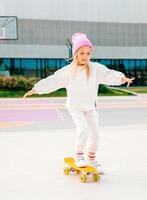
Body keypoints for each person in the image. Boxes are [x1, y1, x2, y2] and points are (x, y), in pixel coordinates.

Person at [23, 33, 134, 173]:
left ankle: (92, 159)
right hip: (75, 107)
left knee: (95, 133)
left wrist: (121, 78)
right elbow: (54, 80)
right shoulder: (69, 71)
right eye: (82, 53)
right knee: (83, 129)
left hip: (90, 107)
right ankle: (79, 156)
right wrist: (36, 89)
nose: (85, 56)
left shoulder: (95, 68)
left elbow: (108, 74)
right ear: (76, 53)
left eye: (88, 53)